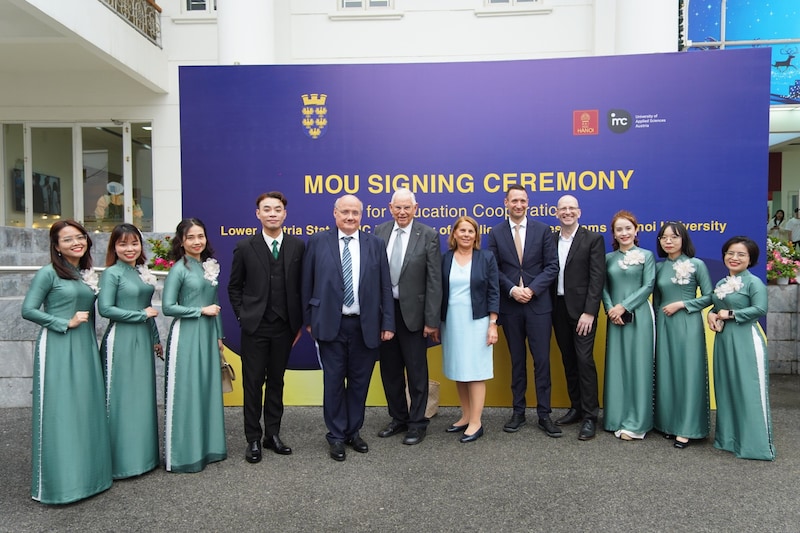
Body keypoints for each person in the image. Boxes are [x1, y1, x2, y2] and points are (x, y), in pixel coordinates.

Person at [21, 220, 112, 504]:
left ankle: (88, 478)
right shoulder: (48, 274)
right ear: (56, 246)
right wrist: (64, 321)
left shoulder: (83, 274)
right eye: (67, 239)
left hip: (84, 346)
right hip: (59, 346)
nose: (76, 242)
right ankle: (59, 485)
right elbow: (28, 310)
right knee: (61, 412)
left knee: (84, 409)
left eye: (80, 237)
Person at [301, 195, 395, 461]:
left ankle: (353, 431)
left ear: (361, 215)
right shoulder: (318, 241)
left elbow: (385, 286)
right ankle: (336, 436)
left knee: (358, 383)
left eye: (355, 212)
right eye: (345, 212)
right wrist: (309, 320)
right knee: (332, 383)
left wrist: (387, 322)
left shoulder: (375, 244)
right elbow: (306, 283)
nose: (350, 217)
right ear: (335, 214)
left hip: (365, 326)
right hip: (330, 324)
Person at [228, 191, 305, 463]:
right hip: (255, 328)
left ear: (285, 214)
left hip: (284, 327)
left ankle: (273, 434)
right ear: (258, 214)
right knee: (253, 384)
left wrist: (299, 322)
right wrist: (243, 317)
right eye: (267, 209)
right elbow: (234, 287)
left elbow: (301, 287)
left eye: (277, 209)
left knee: (276, 382)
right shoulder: (245, 247)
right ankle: (253, 439)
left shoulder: (297, 246)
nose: (272, 213)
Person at [486, 185, 560, 437]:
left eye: (523, 200)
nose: (518, 205)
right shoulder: (496, 233)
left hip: (538, 306)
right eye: (514, 200)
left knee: (542, 362)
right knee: (517, 361)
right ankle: (518, 411)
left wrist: (532, 289)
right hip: (511, 307)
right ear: (505, 202)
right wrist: (512, 290)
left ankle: (544, 414)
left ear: (529, 203)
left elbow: (552, 266)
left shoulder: (543, 230)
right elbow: (493, 268)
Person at [374, 189, 442, 446]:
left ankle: (417, 423)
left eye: (407, 208)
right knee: (390, 371)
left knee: (416, 371)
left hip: (414, 315)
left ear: (416, 208)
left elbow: (434, 281)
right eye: (398, 207)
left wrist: (431, 319)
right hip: (386, 313)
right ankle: (398, 418)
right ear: (390, 207)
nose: (402, 212)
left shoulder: (428, 235)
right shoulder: (379, 231)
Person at [162, 218, 227, 472]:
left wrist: (219, 336)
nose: (197, 241)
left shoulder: (207, 266)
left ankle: (208, 448)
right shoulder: (179, 269)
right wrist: (200, 311)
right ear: (181, 241)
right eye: (191, 238)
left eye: (201, 236)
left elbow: (217, 303)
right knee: (187, 392)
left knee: (207, 390)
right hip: (187, 335)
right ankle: (184, 454)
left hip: (208, 335)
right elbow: (168, 307)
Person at [98, 224, 162, 478]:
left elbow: (148, 308)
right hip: (121, 341)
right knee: (121, 399)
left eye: (134, 243)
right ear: (114, 246)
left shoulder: (140, 272)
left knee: (142, 399)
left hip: (143, 339)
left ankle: (144, 458)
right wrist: (139, 315)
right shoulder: (111, 274)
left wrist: (155, 338)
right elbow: (106, 309)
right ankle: (121, 463)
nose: (129, 248)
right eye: (123, 244)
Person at [707, 237, 775, 461]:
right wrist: (711, 315)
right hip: (724, 340)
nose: (734, 258)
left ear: (751, 259)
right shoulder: (721, 283)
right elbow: (717, 308)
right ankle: (729, 440)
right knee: (726, 388)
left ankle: (755, 445)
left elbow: (760, 309)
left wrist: (733, 314)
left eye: (741, 254)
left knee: (749, 390)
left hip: (746, 340)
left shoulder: (754, 282)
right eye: (730, 253)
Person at [653, 222, 713, 449]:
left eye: (674, 237)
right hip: (664, 325)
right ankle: (669, 424)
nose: (669, 241)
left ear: (683, 239)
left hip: (688, 324)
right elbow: (657, 301)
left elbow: (709, 297)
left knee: (688, 374)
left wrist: (682, 304)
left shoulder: (697, 265)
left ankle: (687, 429)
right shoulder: (659, 268)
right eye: (664, 237)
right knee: (667, 373)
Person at [550, 195, 605, 441]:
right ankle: (576, 407)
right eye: (563, 209)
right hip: (557, 308)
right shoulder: (550, 240)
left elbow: (597, 278)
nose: (567, 212)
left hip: (583, 311)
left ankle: (590, 416)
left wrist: (590, 312)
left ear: (579, 212)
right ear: (556, 213)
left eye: (572, 208)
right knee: (568, 358)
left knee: (584, 360)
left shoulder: (593, 239)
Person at [441, 216, 499, 443]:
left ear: (476, 236)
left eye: (470, 231)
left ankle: (476, 422)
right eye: (462, 230)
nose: (466, 234)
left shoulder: (486, 258)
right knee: (459, 369)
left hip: (478, 322)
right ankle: (465, 416)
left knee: (474, 372)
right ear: (454, 234)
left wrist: (493, 323)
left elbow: (494, 291)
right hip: (451, 322)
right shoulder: (445, 259)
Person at [602, 210, 655, 441]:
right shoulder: (608, 258)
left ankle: (637, 422)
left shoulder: (647, 255)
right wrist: (610, 309)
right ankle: (615, 418)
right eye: (619, 229)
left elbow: (649, 285)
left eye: (628, 228)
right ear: (613, 233)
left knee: (638, 366)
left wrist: (624, 306)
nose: (624, 233)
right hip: (614, 318)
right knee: (617, 366)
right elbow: (602, 287)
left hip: (639, 316)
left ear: (636, 230)